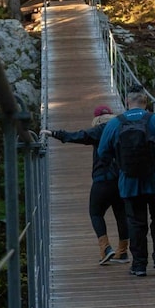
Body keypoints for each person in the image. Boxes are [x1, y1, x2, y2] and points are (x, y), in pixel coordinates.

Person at [98, 85, 155, 277]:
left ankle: (139, 265)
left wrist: (119, 163)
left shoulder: (114, 124)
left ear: (127, 101)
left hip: (129, 183)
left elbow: (103, 152)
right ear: (146, 101)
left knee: (136, 223)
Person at [41, 105, 131, 265]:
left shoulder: (99, 130)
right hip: (120, 180)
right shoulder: (122, 127)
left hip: (102, 180)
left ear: (96, 119)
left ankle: (106, 248)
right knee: (121, 214)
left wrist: (54, 133)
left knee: (96, 213)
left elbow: (80, 136)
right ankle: (123, 252)